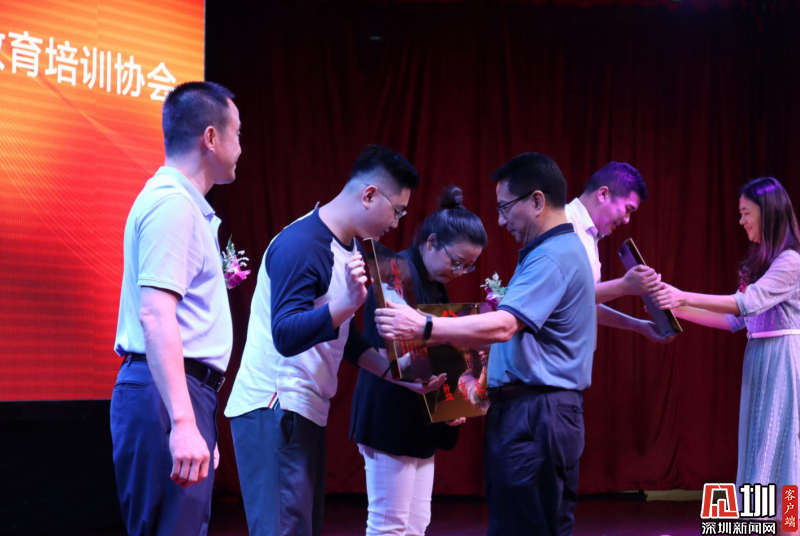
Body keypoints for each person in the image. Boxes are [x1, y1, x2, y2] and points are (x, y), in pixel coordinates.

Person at [225, 145, 446, 536]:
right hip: (274, 406)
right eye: (397, 211)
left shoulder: (351, 247)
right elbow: (285, 334)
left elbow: (347, 340)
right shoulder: (301, 244)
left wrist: (402, 376)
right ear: (369, 195)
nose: (396, 222)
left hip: (305, 408)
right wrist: (345, 305)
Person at [375, 153, 596, 536]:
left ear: (537, 200)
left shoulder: (553, 256)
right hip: (539, 412)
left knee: (521, 526)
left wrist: (425, 326)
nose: (501, 220)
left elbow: (505, 326)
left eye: (505, 207)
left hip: (536, 415)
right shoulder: (557, 252)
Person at [110, 81, 241, 536]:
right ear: (211, 137)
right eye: (238, 133)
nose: (241, 147)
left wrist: (195, 419)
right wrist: (184, 421)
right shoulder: (173, 205)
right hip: (165, 392)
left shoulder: (182, 204)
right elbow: (155, 314)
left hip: (176, 392)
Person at [652, 176, 800, 517]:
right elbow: (735, 320)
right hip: (760, 358)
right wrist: (675, 308)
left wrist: (683, 296)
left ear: (768, 212)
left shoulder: (789, 261)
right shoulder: (763, 262)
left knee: (781, 447)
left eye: (746, 212)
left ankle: (788, 524)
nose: (741, 220)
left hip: (781, 359)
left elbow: (746, 304)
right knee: (758, 445)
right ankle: (761, 521)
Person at [350, 185, 488, 536]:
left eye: (468, 267)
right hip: (389, 414)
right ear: (431, 242)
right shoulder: (394, 272)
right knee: (389, 525)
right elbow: (391, 352)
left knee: (416, 524)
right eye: (456, 262)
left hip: (421, 419)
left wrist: (453, 402)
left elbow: (438, 353)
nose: (459, 271)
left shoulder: (435, 282)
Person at [565, 162, 670, 342]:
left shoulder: (589, 234)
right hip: (549, 356)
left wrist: (639, 325)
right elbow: (562, 297)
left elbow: (585, 303)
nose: (627, 220)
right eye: (628, 210)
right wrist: (624, 285)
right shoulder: (564, 223)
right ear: (603, 194)